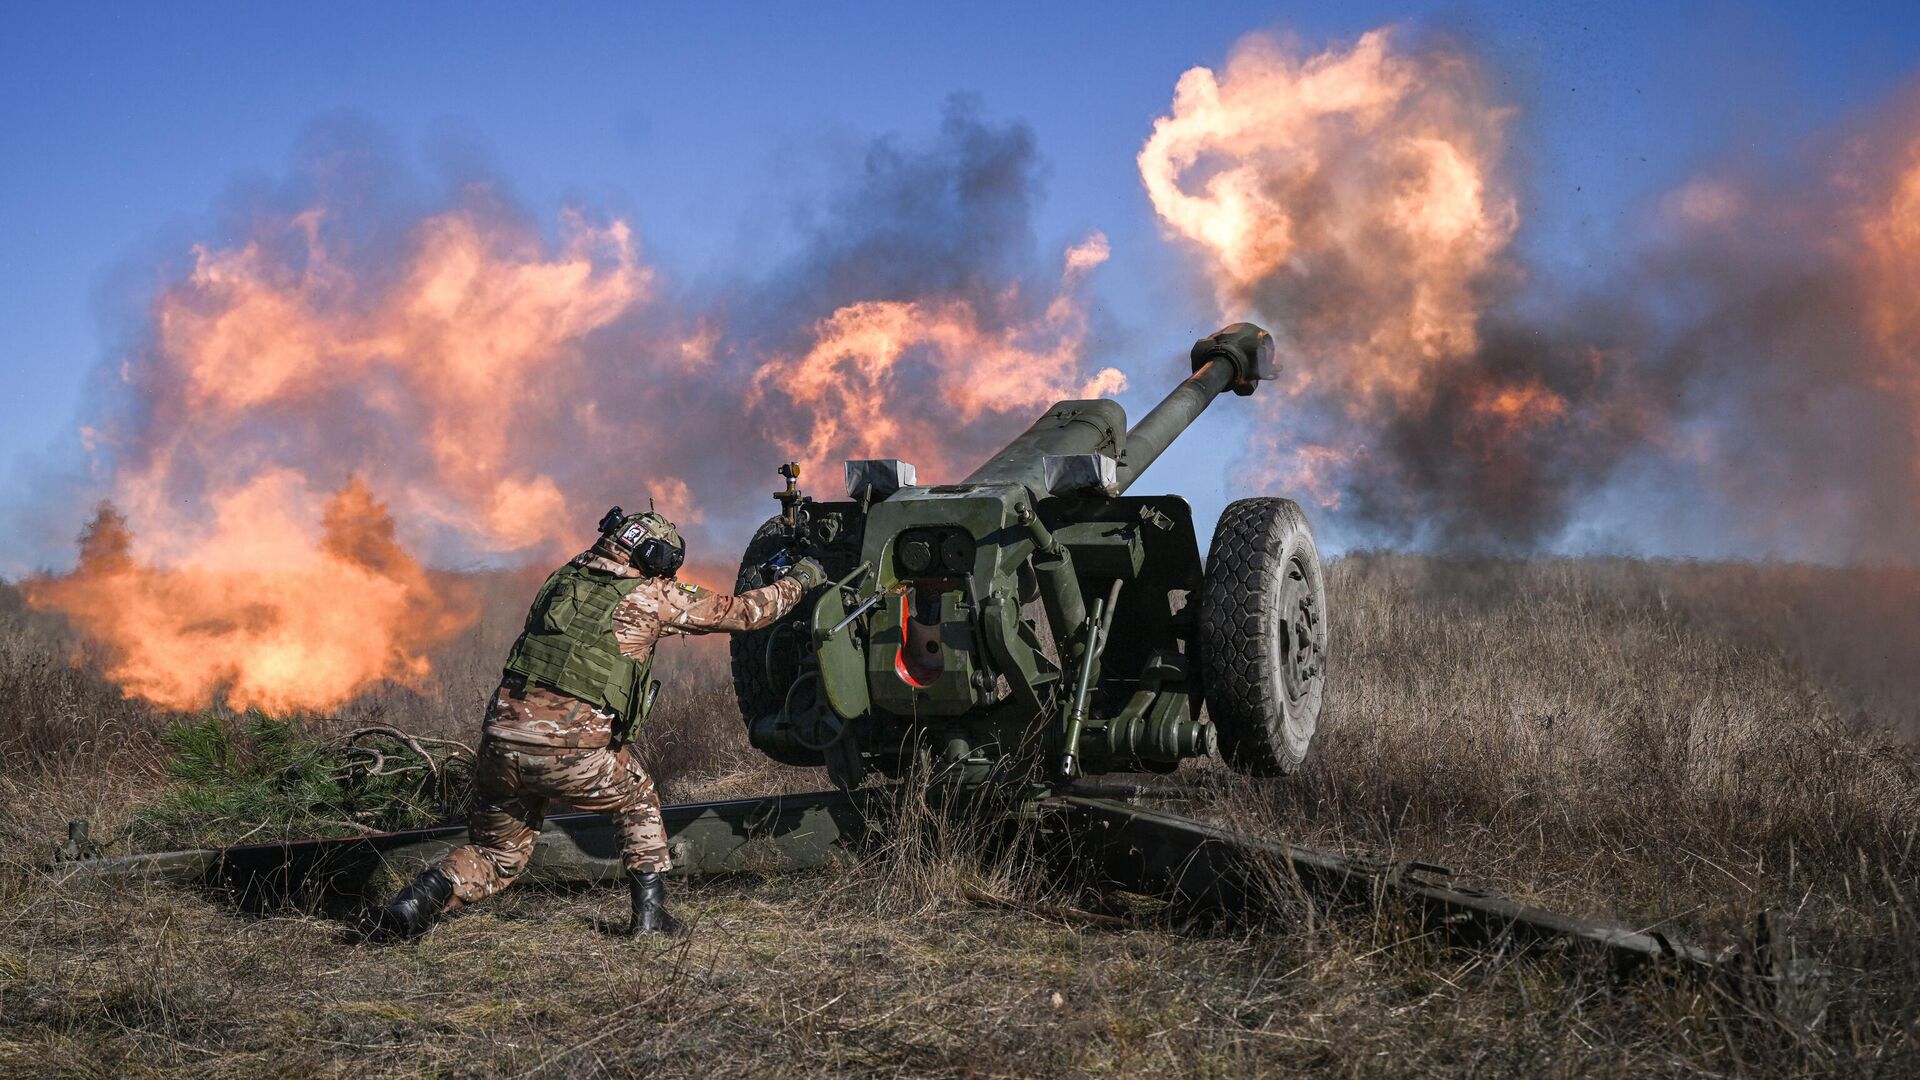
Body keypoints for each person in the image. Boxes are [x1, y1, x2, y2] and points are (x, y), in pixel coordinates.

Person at [379, 507, 822, 938]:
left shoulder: (562, 580)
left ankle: (419, 899)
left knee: (496, 854)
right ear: (655, 558)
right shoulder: (650, 596)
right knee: (638, 797)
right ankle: (650, 918)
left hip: (500, 743)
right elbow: (746, 613)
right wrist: (802, 579)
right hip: (569, 750)